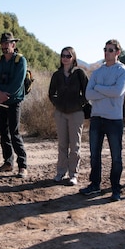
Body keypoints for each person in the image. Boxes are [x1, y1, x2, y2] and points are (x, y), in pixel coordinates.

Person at [79, 39, 125, 202]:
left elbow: (118, 91)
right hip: (97, 118)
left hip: (114, 120)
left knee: (116, 156)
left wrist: (99, 89)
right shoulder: (97, 72)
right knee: (95, 154)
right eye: (105, 49)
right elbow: (88, 95)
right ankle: (95, 185)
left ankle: (115, 189)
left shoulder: (124, 71)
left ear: (117, 52)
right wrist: (107, 91)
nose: (106, 52)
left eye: (110, 50)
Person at [48, 47, 89, 186]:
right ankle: (60, 172)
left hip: (76, 113)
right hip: (60, 113)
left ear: (73, 58)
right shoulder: (57, 75)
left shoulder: (79, 73)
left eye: (68, 56)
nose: (65, 58)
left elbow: (87, 92)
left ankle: (73, 174)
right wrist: (57, 103)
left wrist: (78, 104)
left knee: (75, 145)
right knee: (62, 144)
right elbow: (51, 93)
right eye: (63, 56)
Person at [0, 32, 28, 178]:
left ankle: (23, 165)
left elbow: (17, 84)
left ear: (13, 44)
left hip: (14, 102)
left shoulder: (21, 61)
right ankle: (8, 162)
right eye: (3, 44)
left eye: (8, 43)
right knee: (3, 133)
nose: (5, 46)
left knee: (15, 133)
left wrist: (2, 98)